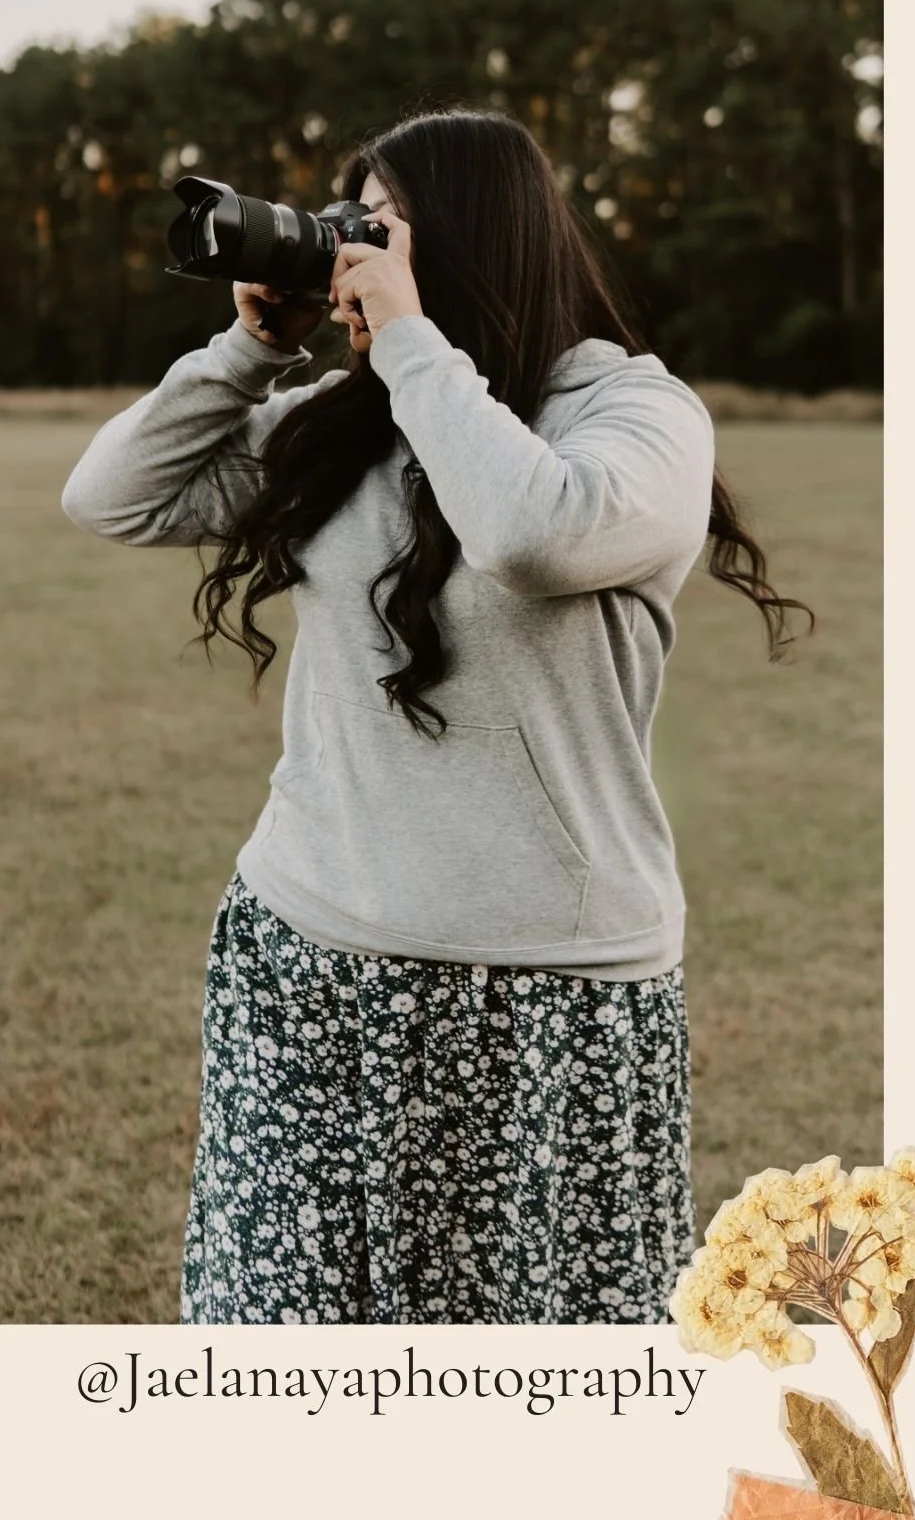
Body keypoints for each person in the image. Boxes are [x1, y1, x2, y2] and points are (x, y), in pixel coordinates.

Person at [60, 108, 809, 1327]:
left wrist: (409, 341)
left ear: (470, 242)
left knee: (539, 1380)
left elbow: (528, 531)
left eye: (382, 230)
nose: (356, 260)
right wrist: (251, 349)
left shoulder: (636, 417)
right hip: (311, 961)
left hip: (548, 997)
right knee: (285, 1358)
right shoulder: (351, 425)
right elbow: (111, 499)